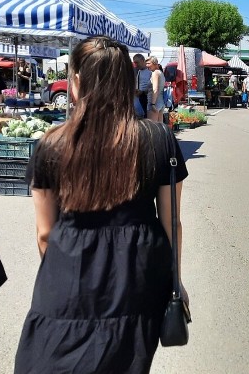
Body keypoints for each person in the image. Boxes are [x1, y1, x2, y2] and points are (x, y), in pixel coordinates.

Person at [14, 36, 189, 374]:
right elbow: (172, 223)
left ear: (76, 81)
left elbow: (45, 233)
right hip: (138, 278)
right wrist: (175, 281)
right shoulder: (157, 138)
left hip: (69, 276)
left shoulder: (52, 144)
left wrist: (63, 276)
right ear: (127, 81)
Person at [146, 55, 165, 122]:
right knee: (160, 128)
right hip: (160, 102)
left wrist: (152, 104)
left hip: (154, 103)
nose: (146, 65)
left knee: (152, 128)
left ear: (154, 63)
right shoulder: (160, 72)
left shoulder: (155, 73)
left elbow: (155, 89)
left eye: (148, 63)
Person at [132, 54, 150, 118]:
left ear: (142, 60)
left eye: (137, 62)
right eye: (135, 63)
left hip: (147, 97)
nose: (136, 65)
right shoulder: (138, 71)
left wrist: (143, 91)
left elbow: (152, 85)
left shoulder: (150, 71)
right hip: (138, 96)